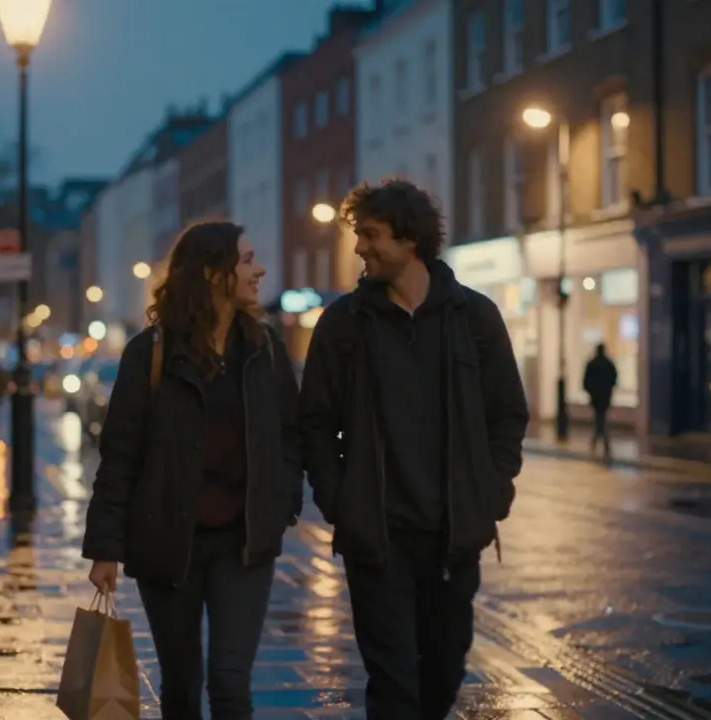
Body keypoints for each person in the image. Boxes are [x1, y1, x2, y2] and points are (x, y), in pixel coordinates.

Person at [300, 180, 529, 719]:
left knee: (443, 673)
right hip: (378, 541)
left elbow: (508, 414)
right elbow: (312, 424)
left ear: (410, 238)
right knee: (394, 682)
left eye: (371, 235)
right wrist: (341, 502)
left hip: (453, 538)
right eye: (359, 235)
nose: (360, 248)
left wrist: (490, 492)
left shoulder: (474, 317)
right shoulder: (343, 324)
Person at [82, 221, 302, 720]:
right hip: (168, 543)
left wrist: (282, 498)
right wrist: (104, 549)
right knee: (181, 684)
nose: (258, 270)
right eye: (246, 261)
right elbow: (121, 454)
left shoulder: (264, 348)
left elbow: (292, 432)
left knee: (229, 682)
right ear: (211, 273)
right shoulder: (152, 352)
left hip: (243, 544)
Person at [583, 343, 618, 461]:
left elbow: (586, 382)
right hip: (605, 396)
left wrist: (591, 392)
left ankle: (597, 440)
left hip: (596, 396)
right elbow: (614, 379)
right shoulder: (609, 364)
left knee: (599, 417)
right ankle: (603, 441)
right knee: (602, 417)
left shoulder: (592, 364)